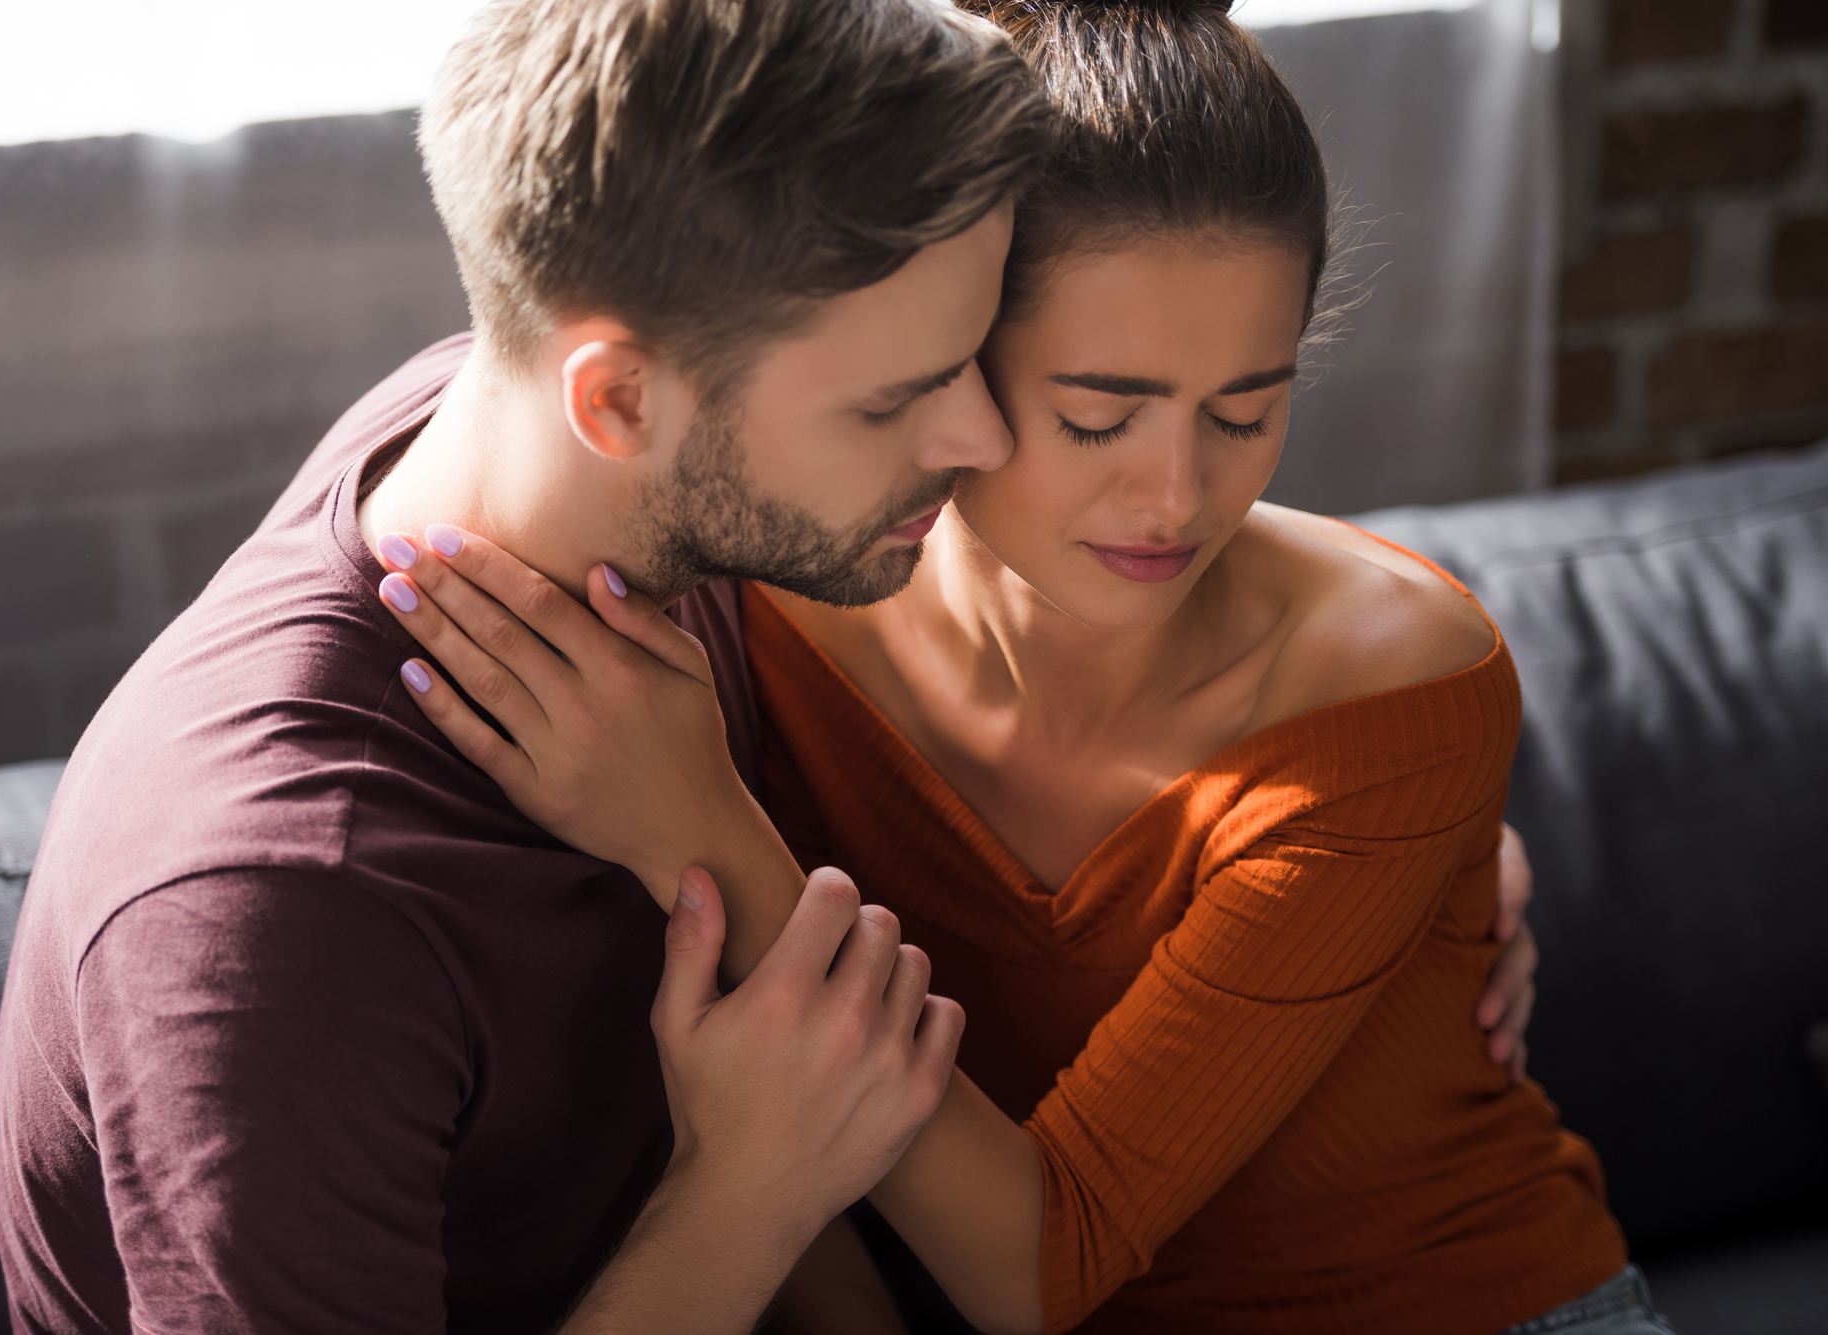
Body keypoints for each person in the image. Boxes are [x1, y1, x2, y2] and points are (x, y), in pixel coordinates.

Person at [366, 1, 1671, 1332]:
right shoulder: (763, 615)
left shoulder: (1388, 685)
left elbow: (1042, 1267)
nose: (1175, 497)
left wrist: (699, 824)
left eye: (1248, 410)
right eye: (1095, 416)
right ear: (948, 363)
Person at [0, 3, 1052, 1332]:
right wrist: (752, 1190)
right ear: (614, 401)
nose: (988, 437)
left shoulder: (527, 443)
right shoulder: (282, 911)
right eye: (895, 401)